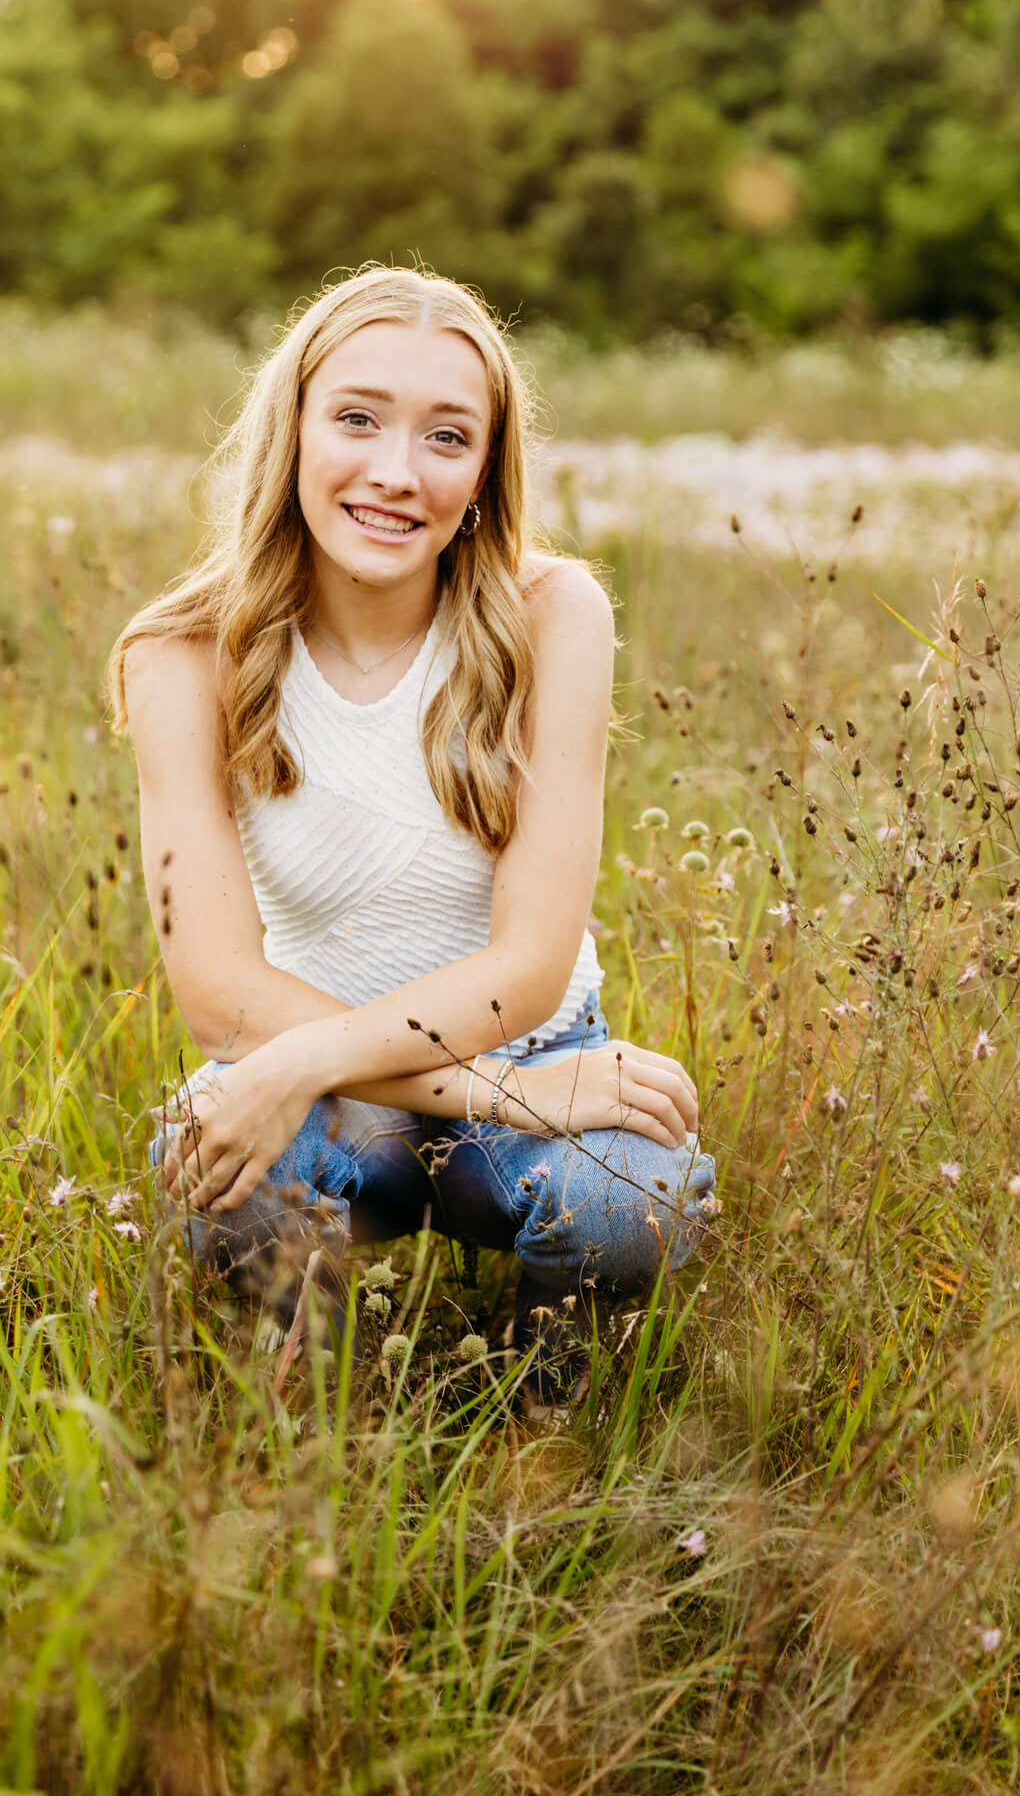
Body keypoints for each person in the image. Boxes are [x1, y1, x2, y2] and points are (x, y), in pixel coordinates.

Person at [106, 266, 715, 1399]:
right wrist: (505, 1094)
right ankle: (321, 1433)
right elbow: (219, 997)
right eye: (356, 418)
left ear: (486, 470)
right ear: (291, 428)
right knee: (219, 1174)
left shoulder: (554, 616)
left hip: (528, 1045)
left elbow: (530, 964)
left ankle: (551, 1431)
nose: (396, 472)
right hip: (334, 1077)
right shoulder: (179, 654)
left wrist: (532, 1085)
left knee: (621, 1204)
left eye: (447, 435)